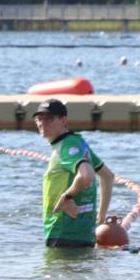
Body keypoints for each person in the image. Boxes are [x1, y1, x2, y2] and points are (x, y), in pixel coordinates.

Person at [33, 99, 114, 248]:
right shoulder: (78, 142)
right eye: (39, 118)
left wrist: (67, 196)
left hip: (63, 232)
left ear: (64, 120)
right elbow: (108, 176)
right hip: (84, 233)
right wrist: (101, 217)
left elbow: (87, 175)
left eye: (49, 118)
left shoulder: (67, 146)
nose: (42, 123)